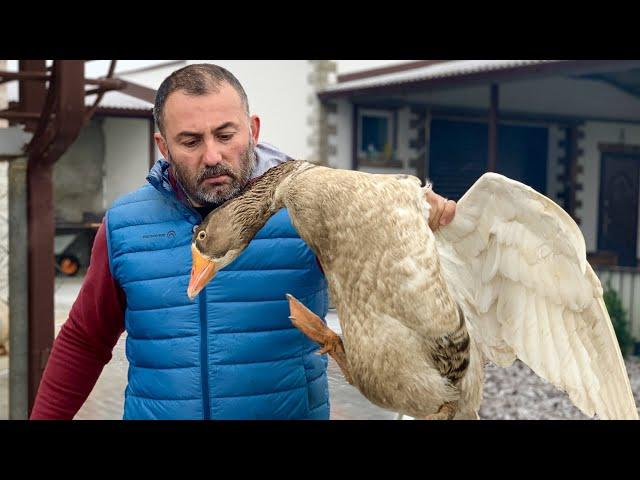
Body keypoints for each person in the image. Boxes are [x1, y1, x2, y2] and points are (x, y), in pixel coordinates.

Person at [30, 63, 455, 420]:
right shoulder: (124, 224)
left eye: (226, 135)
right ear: (162, 146)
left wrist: (419, 224)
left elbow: (397, 295)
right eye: (191, 141)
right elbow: (85, 341)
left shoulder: (309, 213)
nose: (212, 155)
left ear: (252, 129)